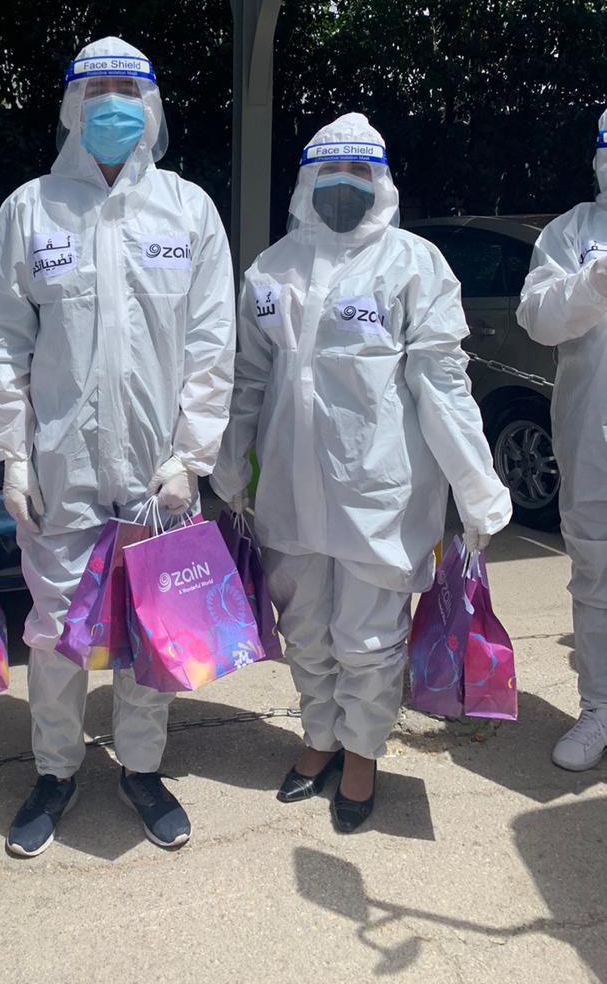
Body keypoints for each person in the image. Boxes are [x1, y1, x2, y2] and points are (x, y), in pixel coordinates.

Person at [211, 112, 511, 832]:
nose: (342, 186)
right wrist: (229, 466)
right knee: (306, 629)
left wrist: (476, 488)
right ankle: (319, 738)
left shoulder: (414, 265)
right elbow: (247, 378)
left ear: (382, 181)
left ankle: (362, 755)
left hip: (381, 493)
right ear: (306, 181)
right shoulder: (272, 269)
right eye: (329, 172)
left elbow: (443, 385)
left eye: (358, 172)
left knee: (370, 640)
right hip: (288, 489)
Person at [0, 37, 235, 857]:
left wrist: (191, 456)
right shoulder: (32, 210)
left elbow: (212, 343)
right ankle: (55, 770)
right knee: (56, 629)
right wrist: (14, 452)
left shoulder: (188, 211)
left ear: (151, 106)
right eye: (99, 89)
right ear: (71, 106)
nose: (114, 103)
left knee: (153, 624)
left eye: (129, 88)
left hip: (159, 469)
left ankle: (142, 769)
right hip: (63, 465)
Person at [517, 110, 607, 771]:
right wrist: (591, 285)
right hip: (590, 434)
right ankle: (599, 707)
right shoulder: (573, 232)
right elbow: (536, 319)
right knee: (595, 574)